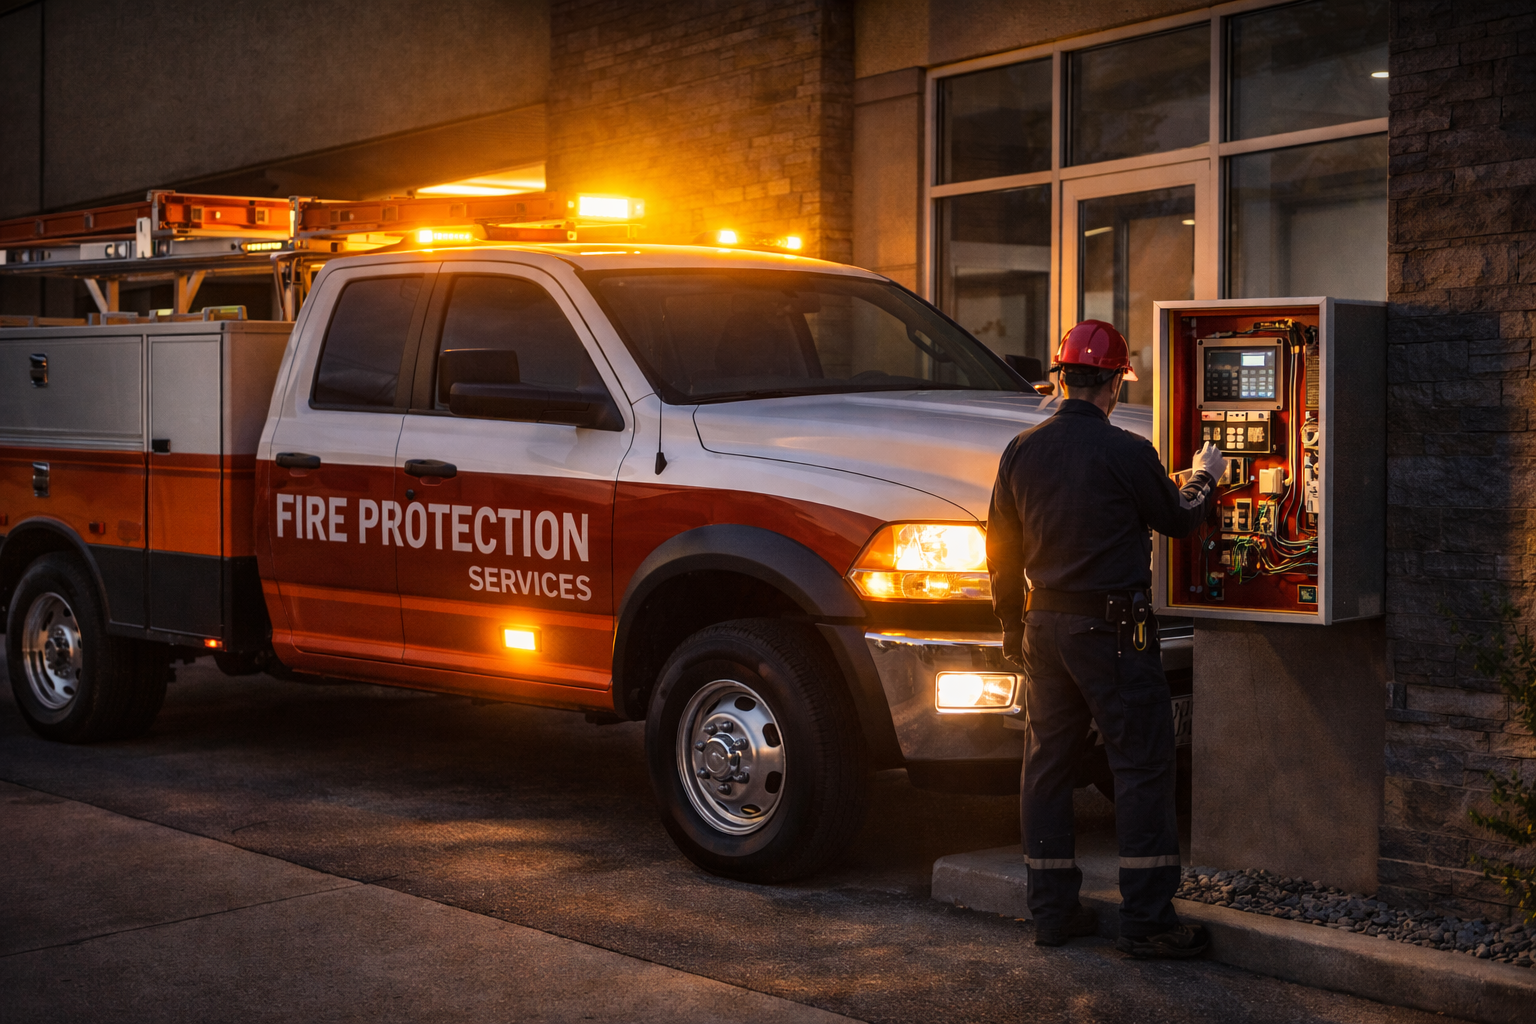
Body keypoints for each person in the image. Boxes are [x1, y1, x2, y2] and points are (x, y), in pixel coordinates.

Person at [986, 319, 1226, 958]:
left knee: (1046, 768)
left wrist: (1012, 626)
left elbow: (1001, 552)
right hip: (1113, 627)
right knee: (1142, 765)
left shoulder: (1020, 451)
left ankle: (1052, 915)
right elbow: (1177, 521)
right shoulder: (1127, 453)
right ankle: (1147, 922)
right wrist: (1205, 475)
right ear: (1116, 383)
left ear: (1061, 377)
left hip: (1044, 626)